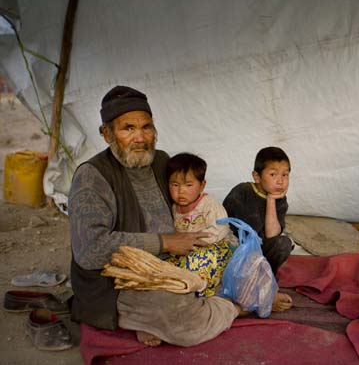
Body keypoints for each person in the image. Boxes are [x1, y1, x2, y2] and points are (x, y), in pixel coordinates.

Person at [68, 86, 240, 347]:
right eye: (128, 129)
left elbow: (190, 201)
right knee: (179, 312)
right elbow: (90, 250)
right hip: (121, 280)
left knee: (235, 262)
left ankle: (165, 316)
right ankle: (236, 308)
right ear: (107, 134)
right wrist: (165, 242)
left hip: (174, 263)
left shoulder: (161, 161)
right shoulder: (92, 176)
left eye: (146, 127)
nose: (140, 138)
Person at [223, 146, 294, 310]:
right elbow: (235, 228)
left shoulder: (280, 200)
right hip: (236, 251)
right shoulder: (242, 191)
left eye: (285, 174)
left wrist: (271, 200)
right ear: (257, 176)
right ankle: (252, 286)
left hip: (260, 253)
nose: (280, 180)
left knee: (283, 243)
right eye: (273, 174)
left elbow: (271, 235)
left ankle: (266, 282)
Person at [165, 153, 236, 297]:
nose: (181, 191)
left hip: (218, 247)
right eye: (175, 185)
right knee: (169, 266)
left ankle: (203, 289)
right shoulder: (173, 208)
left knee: (200, 261)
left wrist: (194, 244)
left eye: (189, 185)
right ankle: (183, 286)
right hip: (189, 249)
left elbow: (219, 229)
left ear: (202, 185)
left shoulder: (209, 203)